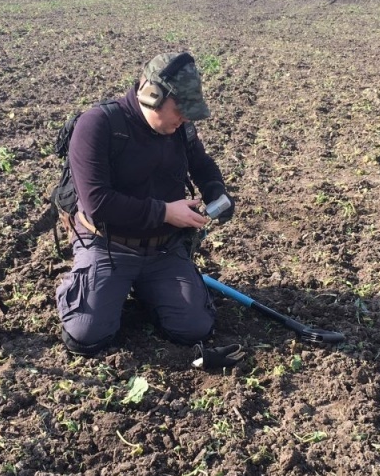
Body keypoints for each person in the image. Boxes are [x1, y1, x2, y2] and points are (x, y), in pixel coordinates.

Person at [55, 51, 242, 367]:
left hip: (162, 250)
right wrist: (166, 212)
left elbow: (202, 165)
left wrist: (216, 193)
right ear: (150, 95)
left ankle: (145, 288)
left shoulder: (179, 129)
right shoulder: (97, 125)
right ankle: (86, 283)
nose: (184, 117)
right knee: (86, 336)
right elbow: (97, 204)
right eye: (179, 109)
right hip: (107, 244)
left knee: (195, 328)